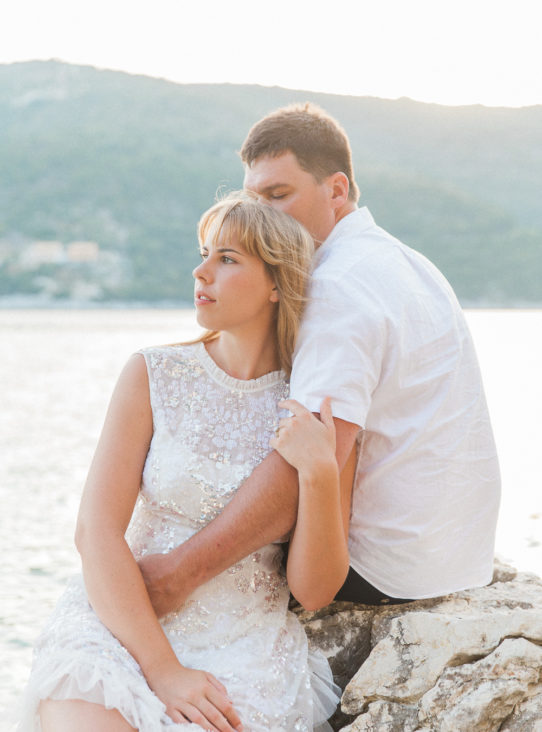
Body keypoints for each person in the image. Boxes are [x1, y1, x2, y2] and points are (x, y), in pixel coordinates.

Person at [137, 103, 501, 612]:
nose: (261, 213)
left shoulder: (337, 287)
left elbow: (313, 457)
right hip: (456, 558)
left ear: (335, 189)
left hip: (384, 570)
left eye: (278, 195)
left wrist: (181, 572)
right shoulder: (407, 262)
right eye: (253, 197)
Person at [18, 192, 344, 732]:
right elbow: (95, 532)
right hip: (121, 623)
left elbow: (314, 591)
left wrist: (320, 472)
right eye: (203, 253)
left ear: (276, 285)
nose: (201, 272)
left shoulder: (309, 405)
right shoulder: (153, 373)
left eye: (228, 259)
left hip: (244, 650)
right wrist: (164, 670)